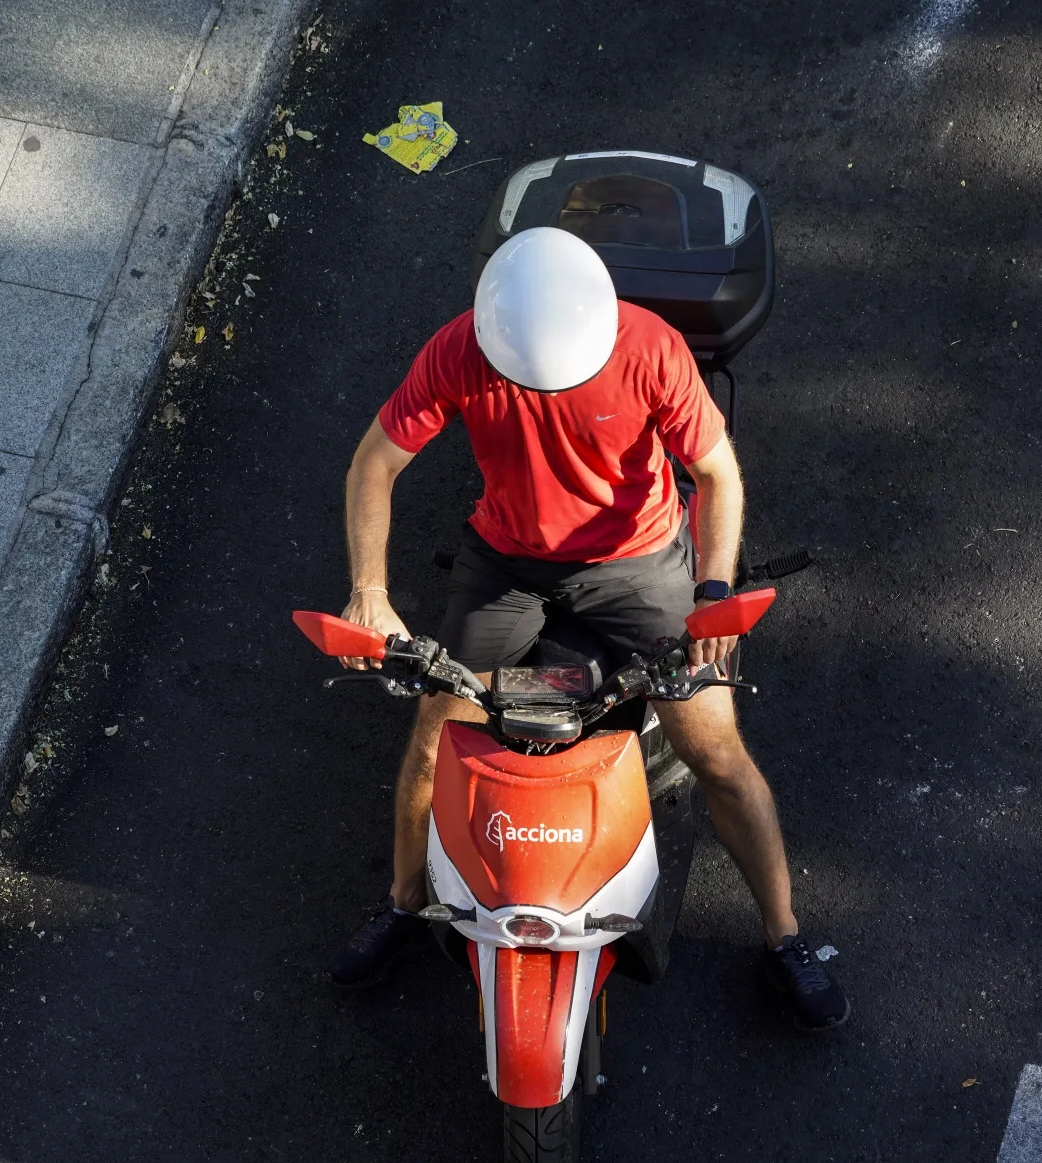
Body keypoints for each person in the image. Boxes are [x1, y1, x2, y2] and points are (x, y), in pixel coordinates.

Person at [325, 227, 848, 1031]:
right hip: (506, 558)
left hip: (635, 561)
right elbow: (375, 462)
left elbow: (715, 472)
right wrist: (368, 591)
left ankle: (786, 936)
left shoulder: (651, 348)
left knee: (715, 751)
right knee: (435, 738)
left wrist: (711, 590)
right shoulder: (460, 349)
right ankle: (401, 901)